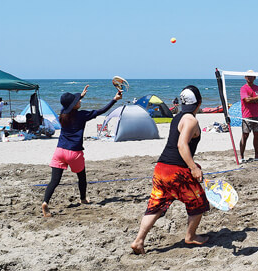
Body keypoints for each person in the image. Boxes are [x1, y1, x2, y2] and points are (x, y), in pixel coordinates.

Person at [131, 86, 210, 253]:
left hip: (161, 169)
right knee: (199, 202)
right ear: (199, 102)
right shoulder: (191, 120)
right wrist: (193, 167)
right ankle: (190, 236)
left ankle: (138, 241)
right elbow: (181, 145)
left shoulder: (178, 117)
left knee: (156, 206)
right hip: (177, 172)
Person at [41, 85, 122, 217]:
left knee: (54, 181)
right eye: (77, 101)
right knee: (81, 177)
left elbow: (68, 106)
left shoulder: (63, 113)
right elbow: (101, 110)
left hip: (59, 151)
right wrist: (115, 99)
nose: (80, 101)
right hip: (74, 153)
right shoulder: (82, 115)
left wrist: (81, 96)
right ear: (73, 106)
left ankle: (45, 202)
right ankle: (83, 199)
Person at [239, 70, 258, 163]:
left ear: (254, 78)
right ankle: (241, 156)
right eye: (248, 76)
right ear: (245, 78)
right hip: (247, 116)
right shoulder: (243, 88)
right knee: (245, 135)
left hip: (257, 115)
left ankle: (257, 155)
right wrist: (257, 99)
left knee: (257, 135)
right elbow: (246, 100)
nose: (249, 78)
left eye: (251, 76)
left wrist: (255, 99)